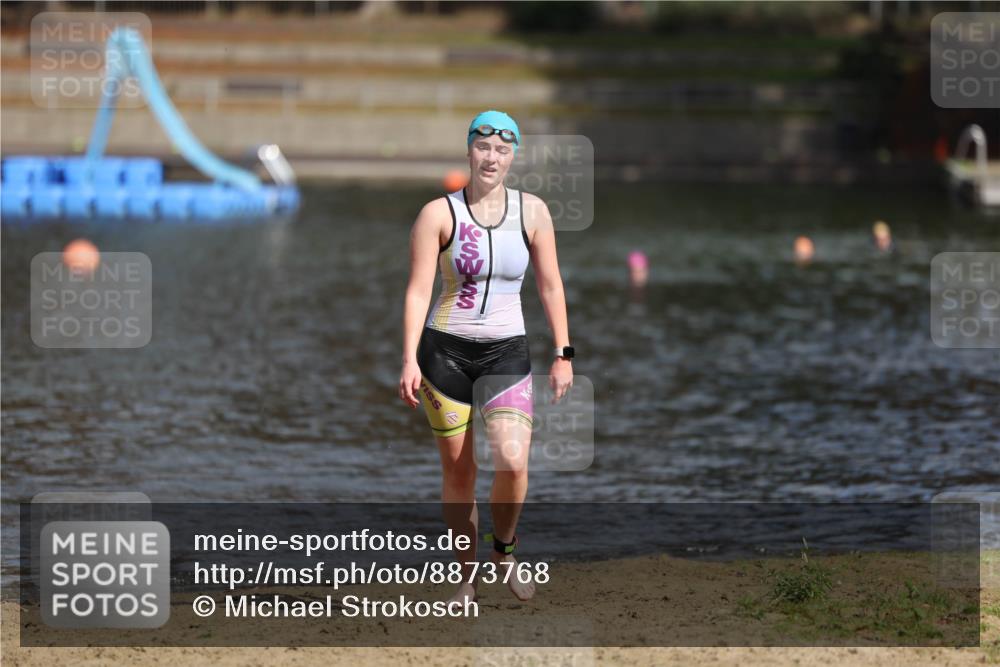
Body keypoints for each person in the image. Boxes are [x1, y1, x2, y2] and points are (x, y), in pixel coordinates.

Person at [399, 110, 573, 604]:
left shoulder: (534, 212)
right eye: (482, 146)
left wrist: (564, 353)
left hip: (506, 351)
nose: (491, 157)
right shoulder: (438, 213)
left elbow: (551, 285)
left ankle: (504, 551)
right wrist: (409, 358)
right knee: (459, 473)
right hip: (443, 352)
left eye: (501, 149)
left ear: (512, 156)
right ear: (469, 150)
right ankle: (464, 576)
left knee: (514, 461)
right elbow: (417, 291)